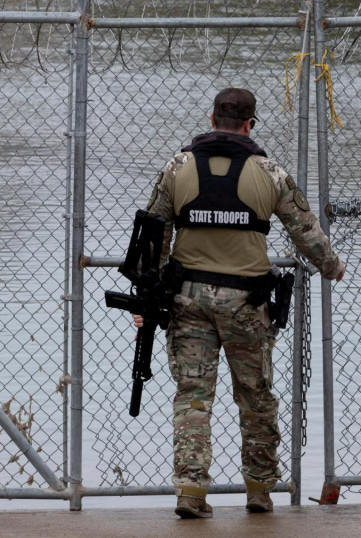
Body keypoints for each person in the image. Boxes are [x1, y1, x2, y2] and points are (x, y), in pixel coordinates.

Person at [132, 87, 345, 519]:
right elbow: (306, 231)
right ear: (249, 124)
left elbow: (154, 235)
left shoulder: (179, 167)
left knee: (192, 397)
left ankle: (191, 492)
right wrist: (332, 266)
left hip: (188, 299)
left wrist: (148, 296)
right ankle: (260, 491)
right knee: (256, 397)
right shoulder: (270, 172)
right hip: (247, 304)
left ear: (212, 119)